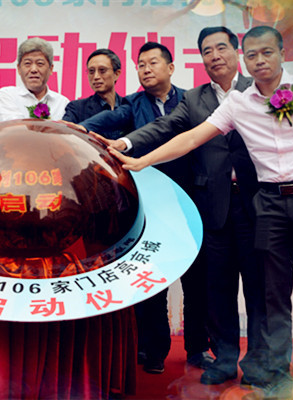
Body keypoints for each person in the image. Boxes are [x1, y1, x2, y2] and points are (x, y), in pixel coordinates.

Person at [110, 26, 293, 399]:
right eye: (252, 55)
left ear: (281, 54)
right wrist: (140, 160)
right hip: (267, 205)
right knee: (273, 297)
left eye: (266, 53)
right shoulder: (238, 103)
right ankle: (273, 374)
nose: (259, 61)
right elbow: (189, 137)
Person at [105, 27, 267, 387]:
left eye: (221, 48)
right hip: (215, 207)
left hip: (258, 204)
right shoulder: (194, 99)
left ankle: (259, 362)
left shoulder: (259, 89)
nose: (215, 56)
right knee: (218, 288)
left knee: (258, 289)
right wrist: (126, 144)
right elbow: (165, 127)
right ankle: (224, 359)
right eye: (207, 51)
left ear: (236, 52)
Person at [81, 42, 210, 376]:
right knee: (153, 280)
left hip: (193, 200)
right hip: (153, 204)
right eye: (141, 64)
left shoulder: (192, 100)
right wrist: (81, 127)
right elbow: (108, 118)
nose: (146, 69)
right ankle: (154, 350)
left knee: (198, 280)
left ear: (171, 67)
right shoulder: (132, 104)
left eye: (153, 62)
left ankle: (198, 348)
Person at [0, 37, 69, 121]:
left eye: (40, 63)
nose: (33, 70)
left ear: (51, 69)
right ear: (19, 69)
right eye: (27, 63)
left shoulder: (62, 103)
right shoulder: (7, 95)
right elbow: (14, 126)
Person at [62, 48, 124, 123]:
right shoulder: (77, 108)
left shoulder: (129, 107)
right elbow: (64, 129)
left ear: (116, 74)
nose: (96, 77)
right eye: (91, 71)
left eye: (102, 70)